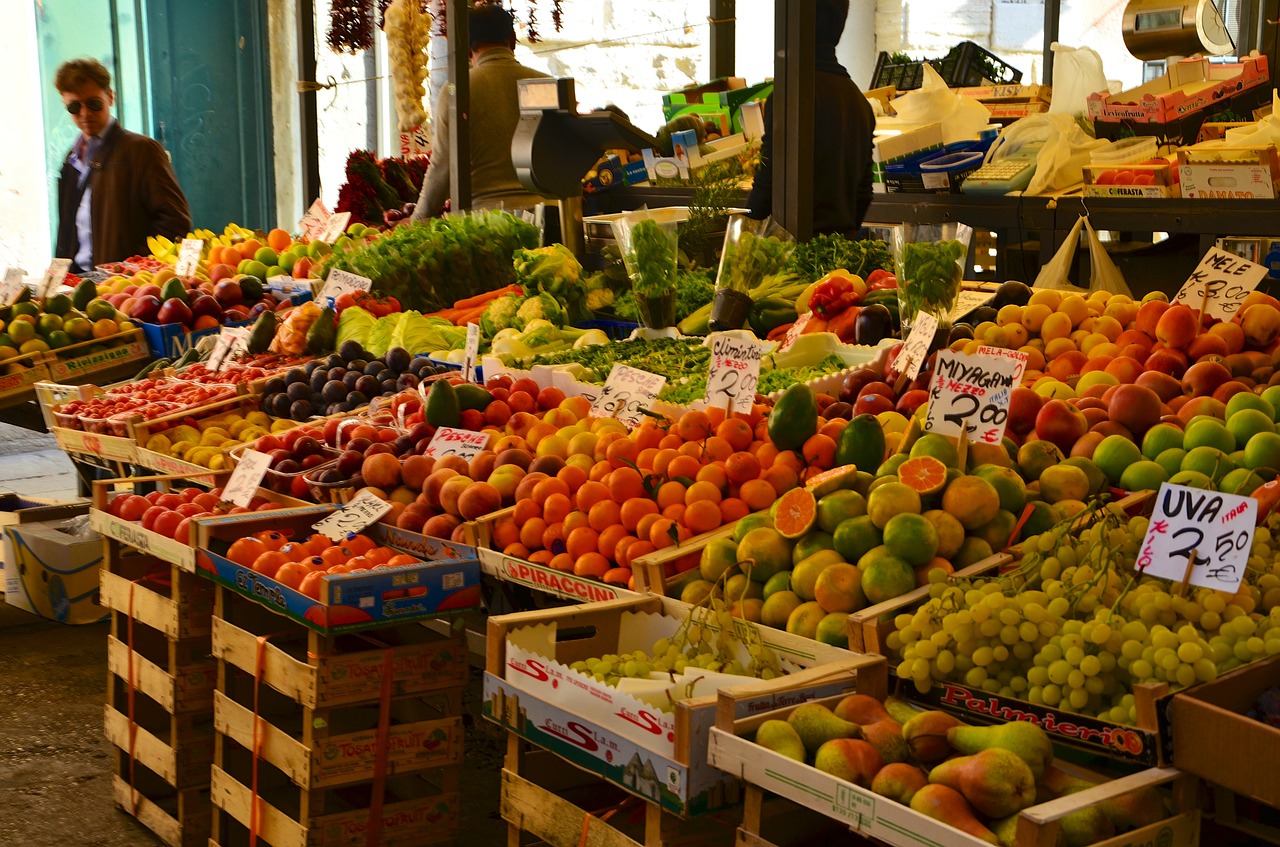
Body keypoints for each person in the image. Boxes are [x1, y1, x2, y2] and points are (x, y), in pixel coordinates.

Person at [745, 0, 875, 236]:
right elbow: (864, 191)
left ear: (795, 22)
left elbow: (770, 178)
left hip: (795, 256)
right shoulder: (859, 101)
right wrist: (840, 237)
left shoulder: (792, 95)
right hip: (838, 257)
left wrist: (742, 233)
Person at [411, 5, 551, 220]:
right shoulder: (545, 84)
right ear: (512, 40)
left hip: (484, 224)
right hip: (544, 217)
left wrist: (417, 221)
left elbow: (442, 167)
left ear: (468, 50)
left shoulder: (456, 90)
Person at [54, 58, 191, 272]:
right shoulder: (71, 159)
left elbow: (176, 221)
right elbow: (68, 232)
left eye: (93, 104)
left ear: (110, 97)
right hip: (79, 283)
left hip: (124, 286)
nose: (85, 113)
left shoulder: (142, 150)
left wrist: (133, 265)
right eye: (74, 107)